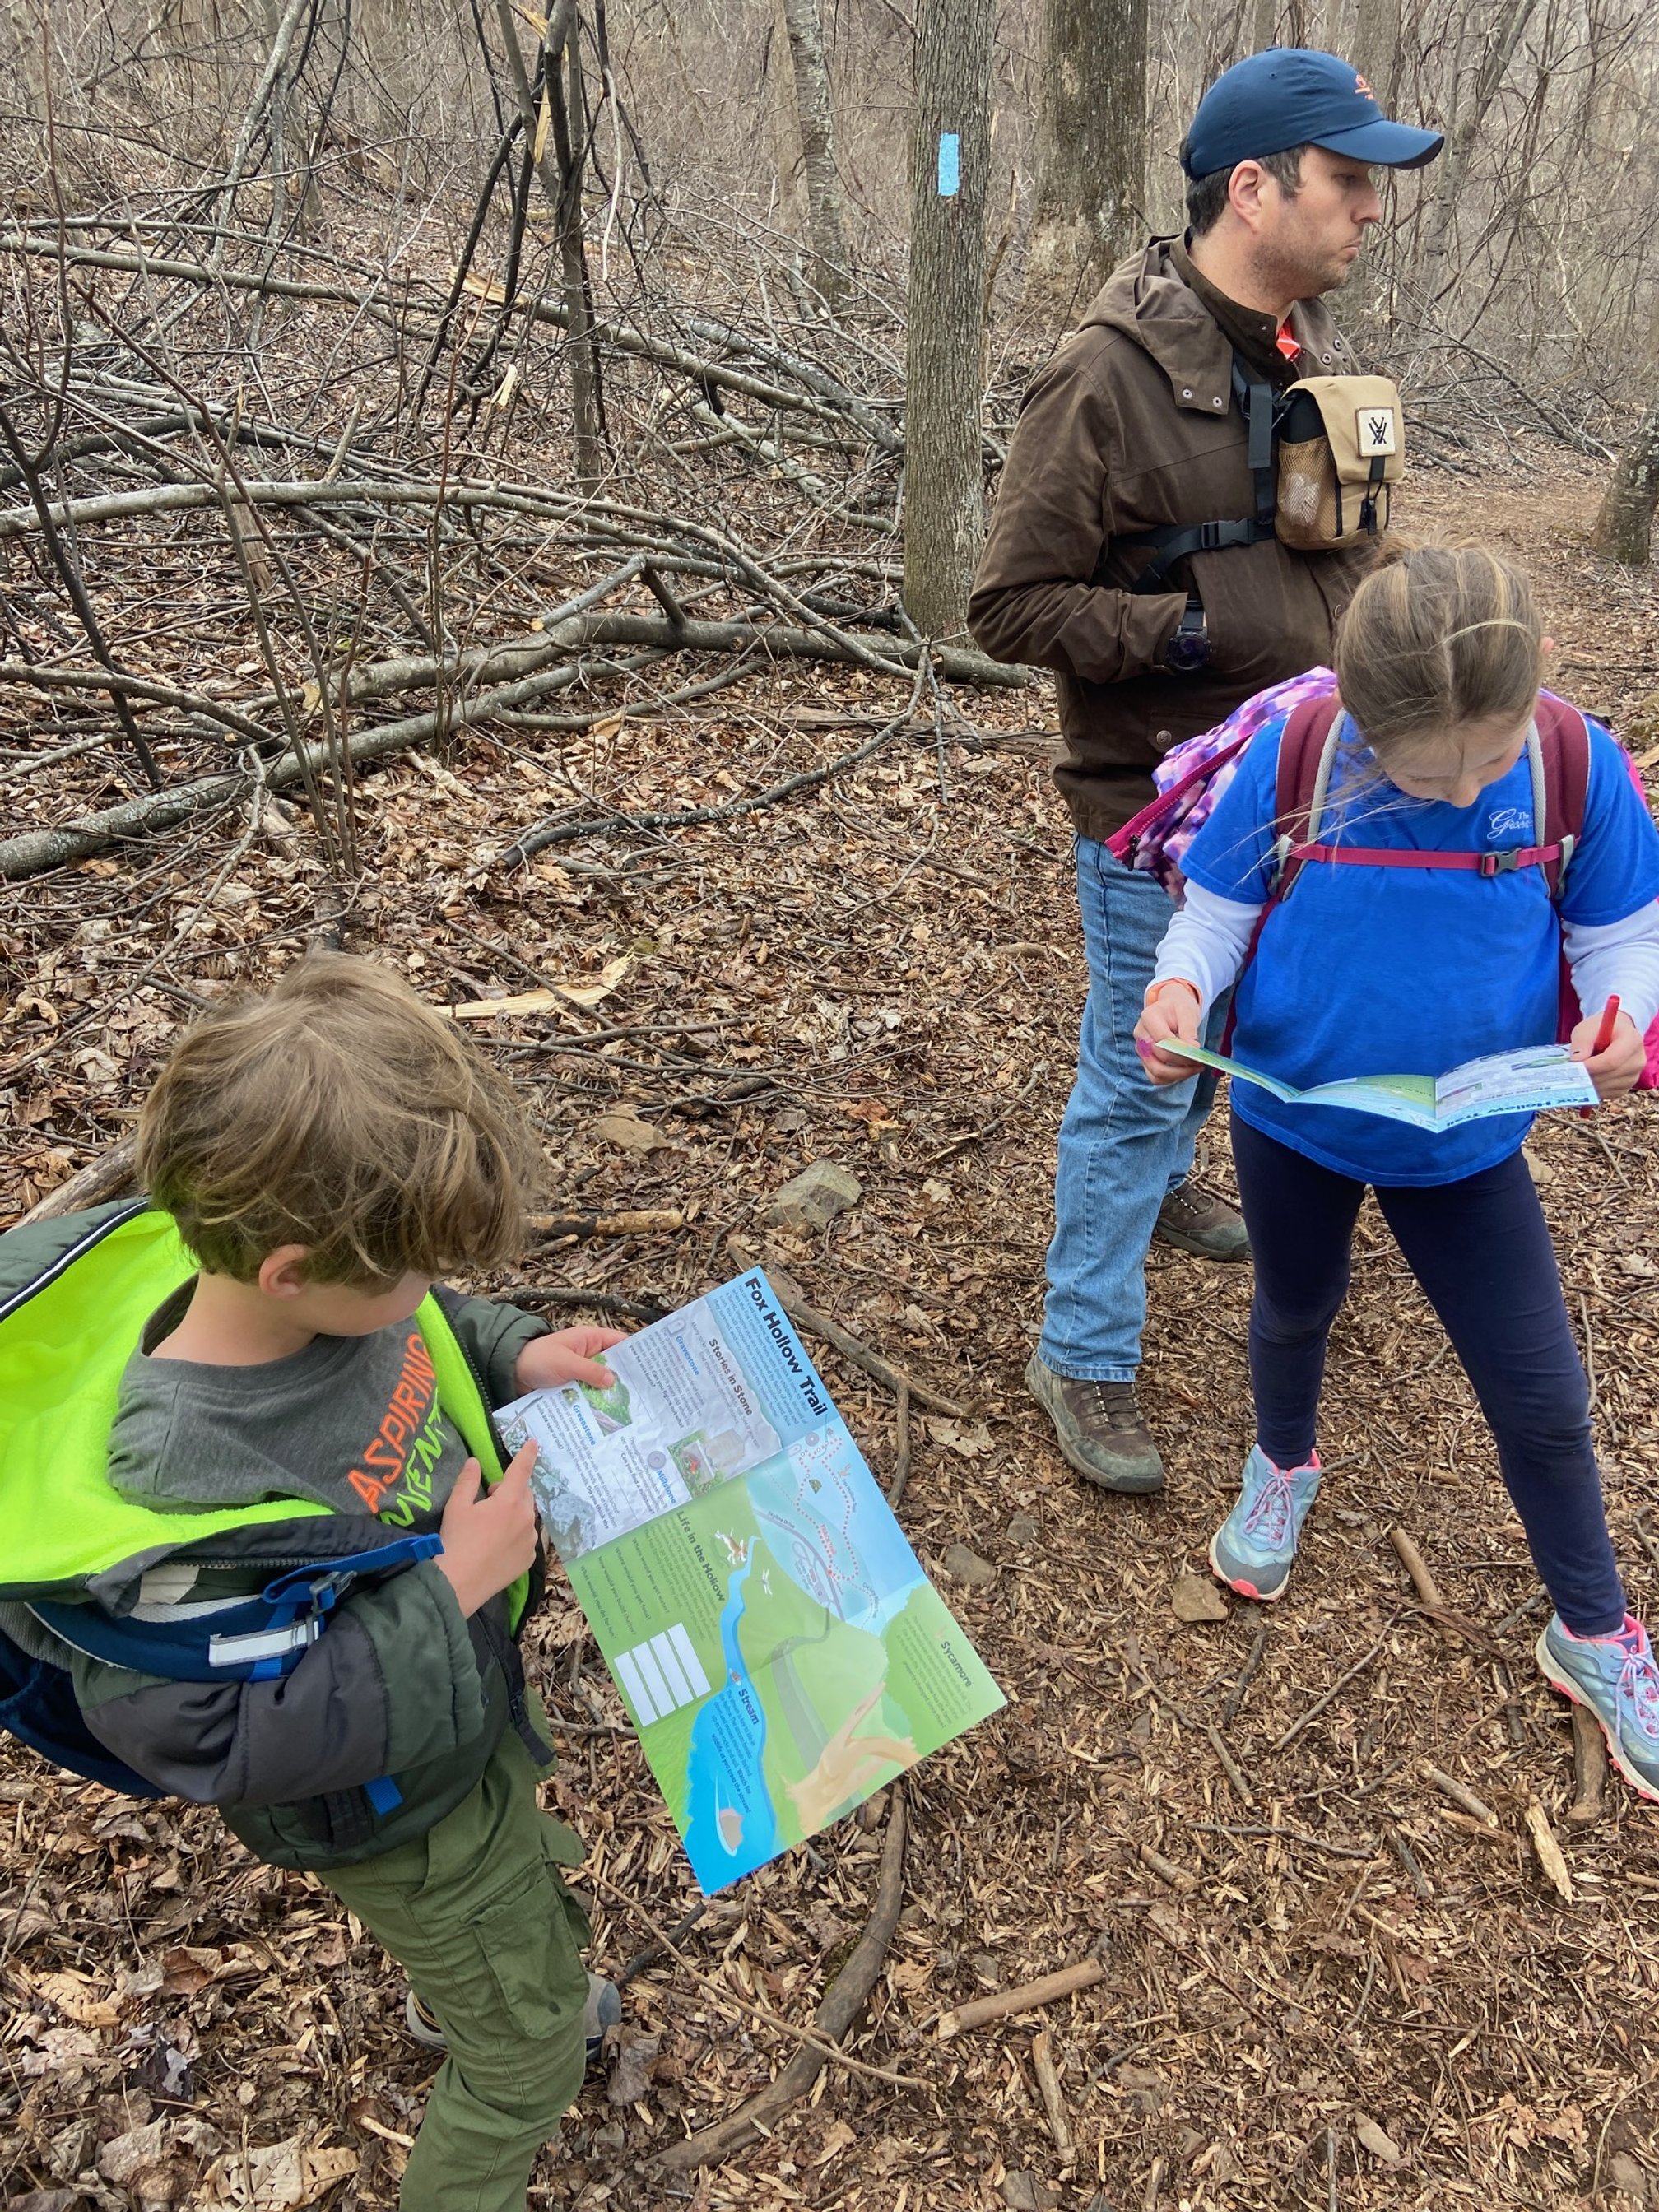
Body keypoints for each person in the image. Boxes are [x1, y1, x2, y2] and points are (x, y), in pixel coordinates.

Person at [1, 955, 629, 2211]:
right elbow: (220, 1734)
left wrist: (514, 1352)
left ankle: (480, 1982)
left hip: (452, 1711)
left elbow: (419, 1320)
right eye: (400, 1271)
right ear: (293, 1269)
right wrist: (448, 1597)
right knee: (527, 2061)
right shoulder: (174, 1498)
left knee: (504, 1893)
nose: (419, 1293)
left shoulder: (317, 1287)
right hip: (389, 1808)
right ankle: (511, 2025)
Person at [969, 50, 1442, 1494]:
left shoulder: (1294, 356)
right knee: (1137, 1066)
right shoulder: (1103, 378)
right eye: (1348, 180)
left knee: (1216, 1028)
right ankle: (1082, 1348)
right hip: (1156, 808)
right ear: (1254, 187)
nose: (1372, 209)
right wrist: (1190, 624)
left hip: (1296, 790)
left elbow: (1337, 551)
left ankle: (1172, 1187)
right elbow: (1003, 607)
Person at [1134, 545, 1659, 1802]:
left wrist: (1626, 1024)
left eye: (1482, 762)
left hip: (1468, 1143)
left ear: (1531, 687)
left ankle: (1592, 1630)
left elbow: (1621, 930)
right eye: (1425, 771)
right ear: (1360, 714)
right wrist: (1177, 988)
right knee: (1293, 1307)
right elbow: (1215, 908)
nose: (1458, 786)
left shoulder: (1575, 764)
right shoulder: (1305, 749)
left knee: (1541, 1390)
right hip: (1296, 1113)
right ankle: (1284, 1466)